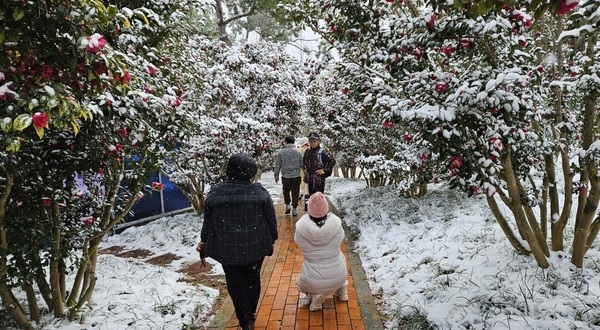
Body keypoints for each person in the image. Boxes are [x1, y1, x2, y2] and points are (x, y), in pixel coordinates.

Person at [196, 153, 278, 330]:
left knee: (234, 281)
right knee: (253, 278)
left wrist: (204, 240)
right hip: (255, 247)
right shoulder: (259, 191)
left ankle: (245, 319)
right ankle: (250, 313)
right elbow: (271, 219)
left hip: (227, 248)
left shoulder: (216, 192)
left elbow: (208, 221)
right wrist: (272, 238)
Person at [294, 192, 348, 311]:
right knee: (340, 257)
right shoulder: (336, 226)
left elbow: (297, 241)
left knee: (298, 284)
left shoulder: (301, 230)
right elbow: (341, 236)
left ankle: (316, 296)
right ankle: (343, 291)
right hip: (339, 276)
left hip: (312, 281)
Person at [302, 132, 336, 210]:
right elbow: (304, 162)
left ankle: (320, 213)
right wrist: (305, 170)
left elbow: (332, 161)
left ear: (318, 141)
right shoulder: (307, 151)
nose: (312, 143)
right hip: (310, 178)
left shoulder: (322, 151)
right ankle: (313, 213)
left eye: (314, 141)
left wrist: (324, 170)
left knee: (319, 197)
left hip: (319, 179)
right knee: (311, 197)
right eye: (311, 141)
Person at [274, 136, 303, 216]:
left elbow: (277, 165)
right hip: (296, 176)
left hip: (286, 176)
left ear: (286, 142)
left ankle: (287, 205)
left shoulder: (281, 152)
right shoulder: (298, 152)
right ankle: (294, 208)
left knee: (286, 190)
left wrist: (276, 175)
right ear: (293, 142)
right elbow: (302, 164)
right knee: (295, 191)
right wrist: (306, 173)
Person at [297, 137, 310, 202]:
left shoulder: (298, 150)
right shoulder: (310, 150)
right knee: (308, 182)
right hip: (309, 168)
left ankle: (300, 192)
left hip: (300, 168)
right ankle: (308, 194)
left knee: (301, 182)